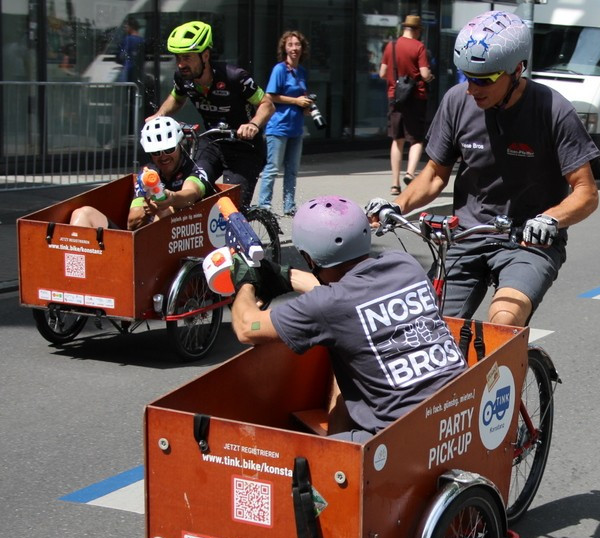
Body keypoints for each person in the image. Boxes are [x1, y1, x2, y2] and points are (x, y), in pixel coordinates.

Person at [365, 10, 599, 328]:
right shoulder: (457, 102)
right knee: (426, 324)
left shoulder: (553, 110)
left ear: (516, 69)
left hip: (528, 240)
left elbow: (586, 192)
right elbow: (434, 175)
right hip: (468, 234)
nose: (472, 88)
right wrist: (397, 205)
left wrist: (551, 219)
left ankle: (510, 374)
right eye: (467, 76)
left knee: (503, 319)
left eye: (484, 79)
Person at [229, 196, 466, 443]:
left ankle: (329, 463)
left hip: (401, 438)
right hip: (458, 408)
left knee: (303, 466)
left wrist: (246, 282)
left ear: (309, 259)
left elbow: (246, 327)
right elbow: (348, 297)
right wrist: (286, 276)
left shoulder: (329, 306)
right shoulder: (406, 265)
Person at [149, 21, 274, 207]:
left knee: (232, 206)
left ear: (205, 55)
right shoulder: (184, 79)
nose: (181, 64)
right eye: (178, 58)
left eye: (187, 58)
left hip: (245, 149)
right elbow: (177, 98)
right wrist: (159, 115)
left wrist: (253, 125)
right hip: (213, 143)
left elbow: (267, 104)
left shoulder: (234, 77)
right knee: (192, 188)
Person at [70, 116, 212, 231]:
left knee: (166, 211)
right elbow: (131, 225)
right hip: (141, 244)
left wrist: (171, 199)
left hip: (179, 235)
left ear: (180, 145)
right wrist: (147, 208)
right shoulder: (147, 173)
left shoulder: (195, 165)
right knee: (82, 213)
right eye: (156, 152)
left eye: (169, 149)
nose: (163, 156)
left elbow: (191, 193)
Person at [255, 30, 314, 216]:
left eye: (297, 45)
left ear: (302, 48)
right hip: (278, 127)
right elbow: (270, 96)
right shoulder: (280, 69)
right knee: (272, 169)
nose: (294, 48)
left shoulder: (301, 71)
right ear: (285, 48)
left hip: (296, 128)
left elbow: (300, 96)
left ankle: (289, 206)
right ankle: (264, 206)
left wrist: (305, 106)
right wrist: (296, 101)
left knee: (292, 170)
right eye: (290, 45)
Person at [378, 15, 434, 196]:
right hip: (416, 96)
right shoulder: (419, 47)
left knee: (397, 139)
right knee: (416, 139)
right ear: (417, 30)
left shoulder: (391, 46)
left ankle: (394, 184)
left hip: (395, 97)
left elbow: (382, 72)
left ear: (404, 28)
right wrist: (430, 77)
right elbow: (424, 74)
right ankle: (410, 173)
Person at [116, 19, 145, 84]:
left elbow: (122, 55)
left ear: (131, 27)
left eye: (126, 27)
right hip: (139, 70)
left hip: (127, 69)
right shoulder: (142, 40)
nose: (125, 29)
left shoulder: (128, 39)